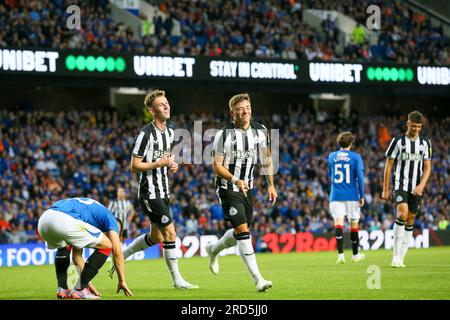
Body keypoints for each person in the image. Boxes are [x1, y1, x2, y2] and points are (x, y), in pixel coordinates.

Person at [111, 89, 198, 289]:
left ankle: (122, 255)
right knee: (170, 234)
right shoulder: (145, 134)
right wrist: (159, 163)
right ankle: (177, 280)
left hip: (164, 190)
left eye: (166, 102)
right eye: (161, 104)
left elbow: (167, 157)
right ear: (152, 110)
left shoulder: (169, 132)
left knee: (156, 237)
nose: (166, 106)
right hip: (149, 192)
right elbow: (134, 165)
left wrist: (172, 164)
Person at [207, 93, 277, 292]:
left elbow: (266, 160)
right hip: (228, 186)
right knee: (244, 232)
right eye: (239, 109)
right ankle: (258, 280)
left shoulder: (261, 131)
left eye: (247, 107)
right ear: (232, 113)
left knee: (241, 232)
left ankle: (214, 249)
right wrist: (235, 180)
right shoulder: (223, 135)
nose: (244, 111)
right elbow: (216, 166)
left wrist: (271, 184)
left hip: (248, 187)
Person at [37, 197, 133, 299]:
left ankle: (63, 289)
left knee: (65, 245)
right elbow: (117, 252)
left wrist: (88, 283)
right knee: (107, 246)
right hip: (64, 219)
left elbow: (76, 256)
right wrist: (122, 281)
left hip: (44, 220)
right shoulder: (112, 219)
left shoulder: (91, 215)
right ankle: (80, 290)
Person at [382, 111, 432, 268]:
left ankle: (401, 257)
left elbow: (428, 167)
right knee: (402, 214)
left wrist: (422, 184)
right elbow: (389, 165)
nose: (416, 129)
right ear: (407, 124)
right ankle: (395, 255)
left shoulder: (425, 144)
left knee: (410, 218)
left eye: (419, 127)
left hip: (416, 187)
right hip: (400, 184)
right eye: (414, 126)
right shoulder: (397, 141)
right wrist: (386, 188)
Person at [328, 132, 365, 264]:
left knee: (338, 224)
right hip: (352, 195)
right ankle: (355, 255)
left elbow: (330, 174)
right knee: (353, 225)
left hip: (336, 195)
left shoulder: (331, 156)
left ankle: (340, 255)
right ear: (351, 143)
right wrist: (362, 195)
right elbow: (360, 178)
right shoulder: (356, 157)